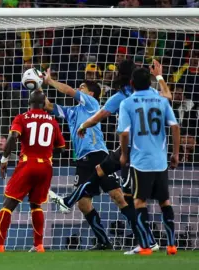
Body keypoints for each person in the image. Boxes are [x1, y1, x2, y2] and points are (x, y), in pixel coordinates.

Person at [52, 59, 171, 253]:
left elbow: (100, 116)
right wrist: (159, 75)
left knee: (125, 196)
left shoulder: (119, 96)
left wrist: (84, 126)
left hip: (129, 149)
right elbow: (168, 96)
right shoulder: (150, 94)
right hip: (151, 150)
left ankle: (147, 241)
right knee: (112, 185)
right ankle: (135, 240)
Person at [44, 70, 136, 250]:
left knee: (118, 196)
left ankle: (143, 235)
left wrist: (50, 81)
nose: (79, 88)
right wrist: (36, 83)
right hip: (81, 160)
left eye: (83, 87)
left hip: (98, 154)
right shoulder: (72, 112)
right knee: (84, 204)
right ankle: (103, 241)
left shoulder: (92, 104)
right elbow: (48, 106)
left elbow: (69, 91)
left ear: (91, 94)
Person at [0, 91, 66, 253]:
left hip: (27, 164)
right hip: (45, 167)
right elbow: (61, 147)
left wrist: (4, 159)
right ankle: (38, 245)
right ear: (44, 104)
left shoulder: (22, 118)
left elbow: (12, 137)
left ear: (29, 103)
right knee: (36, 204)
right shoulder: (52, 121)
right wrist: (45, 154)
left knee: (8, 203)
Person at [117, 67, 180, 256]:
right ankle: (171, 245)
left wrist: (124, 154)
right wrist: (175, 153)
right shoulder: (161, 100)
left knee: (139, 201)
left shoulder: (127, 103)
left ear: (131, 84)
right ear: (151, 83)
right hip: (160, 160)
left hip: (140, 161)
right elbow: (175, 127)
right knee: (164, 201)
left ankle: (145, 246)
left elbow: (125, 132)